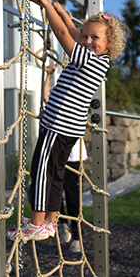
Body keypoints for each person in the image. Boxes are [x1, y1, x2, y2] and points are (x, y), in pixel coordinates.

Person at [7, 0, 129, 243]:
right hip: (68, 128)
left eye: (95, 37)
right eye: (86, 37)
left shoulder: (88, 60)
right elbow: (73, 31)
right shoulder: (97, 60)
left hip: (58, 125)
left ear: (109, 43)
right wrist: (62, 12)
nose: (87, 40)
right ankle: (50, 222)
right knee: (56, 172)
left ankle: (36, 223)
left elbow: (64, 35)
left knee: (42, 170)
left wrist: (46, 7)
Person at [44, 64, 88, 253]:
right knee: (54, 196)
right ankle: (62, 224)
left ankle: (77, 237)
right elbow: (46, 98)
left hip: (74, 160)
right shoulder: (56, 111)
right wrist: (48, 77)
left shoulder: (78, 107)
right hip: (58, 158)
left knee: (73, 200)